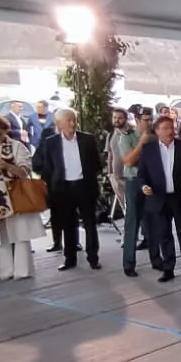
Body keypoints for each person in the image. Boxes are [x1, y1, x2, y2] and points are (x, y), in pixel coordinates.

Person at [137, 114, 181, 283]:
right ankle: (168, 269)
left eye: (172, 128)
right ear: (157, 130)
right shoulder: (149, 150)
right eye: (166, 128)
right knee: (164, 235)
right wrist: (144, 186)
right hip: (159, 198)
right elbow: (142, 174)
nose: (170, 131)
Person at [32, 108, 102, 272]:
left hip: (84, 187)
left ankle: (93, 258)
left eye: (74, 120)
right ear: (58, 124)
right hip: (63, 189)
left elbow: (96, 163)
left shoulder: (87, 140)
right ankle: (69, 258)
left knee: (90, 224)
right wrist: (52, 178)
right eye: (68, 120)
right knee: (68, 225)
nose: (72, 123)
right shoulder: (51, 142)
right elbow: (40, 164)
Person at [0, 113, 40, 281]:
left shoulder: (17, 146)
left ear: (6, 131)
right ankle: (4, 271)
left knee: (20, 232)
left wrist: (6, 165)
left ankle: (24, 270)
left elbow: (25, 171)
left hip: (15, 192)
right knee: (0, 233)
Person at [109, 108, 151, 278]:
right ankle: (129, 263)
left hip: (150, 182)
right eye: (145, 120)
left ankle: (156, 258)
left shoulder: (154, 137)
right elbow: (128, 160)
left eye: (150, 119)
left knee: (152, 221)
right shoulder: (125, 136)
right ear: (137, 120)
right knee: (132, 222)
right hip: (132, 181)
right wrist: (141, 143)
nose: (148, 122)